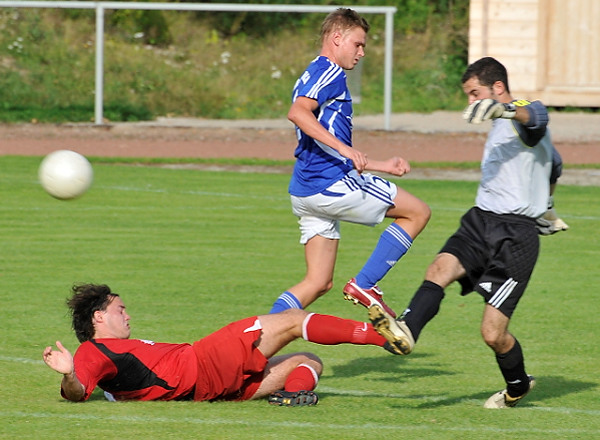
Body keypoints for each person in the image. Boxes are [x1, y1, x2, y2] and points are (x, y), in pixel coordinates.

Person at [368, 57, 566, 408]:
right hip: (480, 221)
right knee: (439, 268)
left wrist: (504, 110)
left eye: (475, 93)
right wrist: (547, 199)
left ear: (498, 88)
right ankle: (407, 330)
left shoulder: (520, 113)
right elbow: (556, 162)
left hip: (515, 237)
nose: (471, 102)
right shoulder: (500, 125)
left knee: (492, 333)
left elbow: (538, 116)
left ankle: (518, 384)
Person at [269, 8, 430, 318]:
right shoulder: (330, 72)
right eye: (358, 44)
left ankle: (259, 337)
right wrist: (345, 149)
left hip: (305, 190)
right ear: (336, 38)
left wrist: (382, 165)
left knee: (318, 282)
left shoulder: (313, 72)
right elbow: (298, 113)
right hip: (330, 184)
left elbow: (320, 139)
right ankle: (365, 285)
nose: (362, 52)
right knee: (417, 212)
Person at [43, 283, 403, 406]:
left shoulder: (113, 354)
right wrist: (69, 374)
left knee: (307, 361)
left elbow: (105, 390)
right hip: (204, 362)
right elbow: (78, 392)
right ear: (98, 317)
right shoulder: (93, 351)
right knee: (293, 320)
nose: (128, 315)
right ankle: (384, 335)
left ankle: (293, 396)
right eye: (120, 310)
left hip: (205, 389)